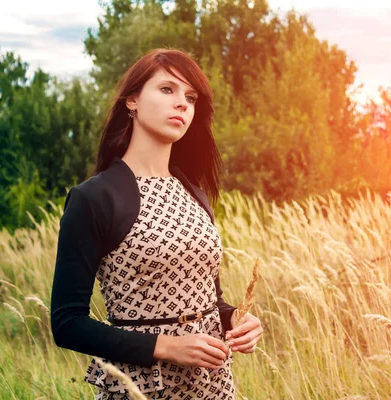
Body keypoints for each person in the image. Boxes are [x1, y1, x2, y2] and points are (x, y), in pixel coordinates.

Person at [50, 48, 263, 400]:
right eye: (167, 89)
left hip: (213, 385)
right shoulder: (94, 197)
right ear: (132, 100)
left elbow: (211, 298)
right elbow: (67, 324)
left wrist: (237, 321)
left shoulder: (194, 192)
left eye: (190, 97)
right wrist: (166, 347)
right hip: (142, 387)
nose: (182, 103)